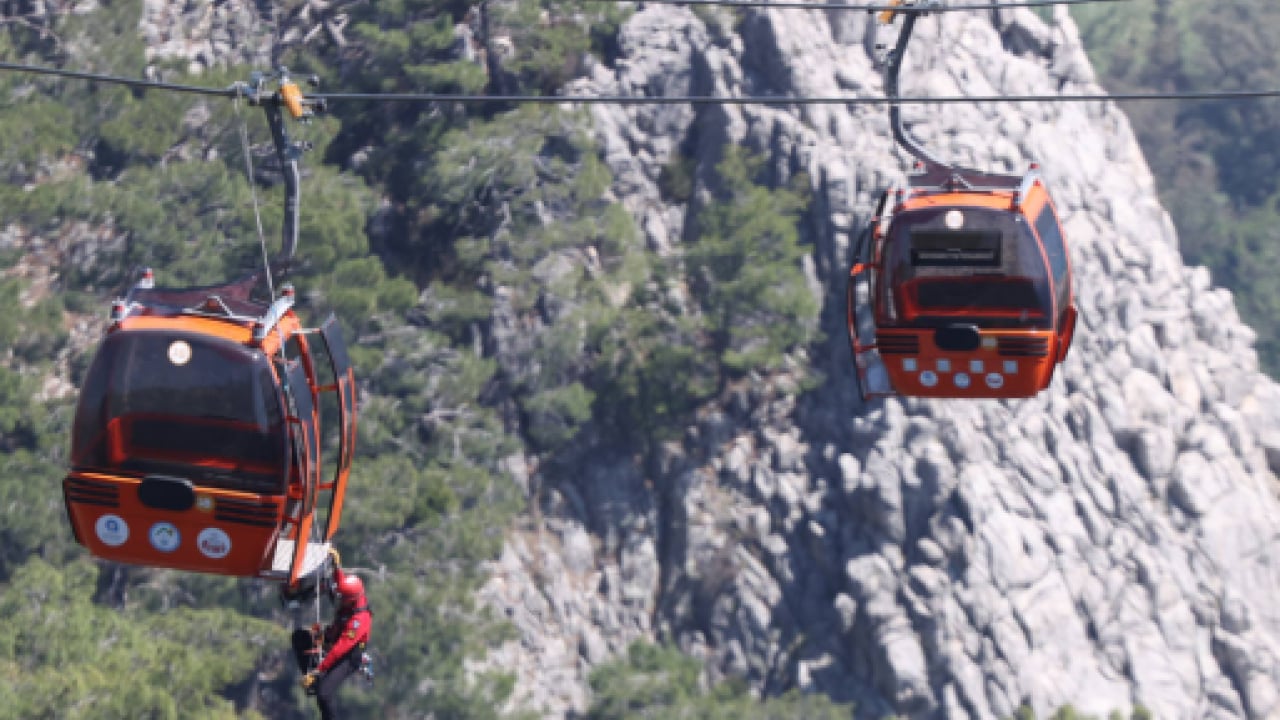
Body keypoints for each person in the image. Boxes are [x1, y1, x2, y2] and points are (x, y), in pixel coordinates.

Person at [292, 549, 372, 720]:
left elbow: (340, 649)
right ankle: (312, 679)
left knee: (324, 694)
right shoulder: (352, 597)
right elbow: (342, 584)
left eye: (343, 599)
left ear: (350, 600)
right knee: (300, 638)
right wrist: (337, 566)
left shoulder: (359, 620)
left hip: (348, 657)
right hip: (335, 642)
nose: (340, 601)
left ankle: (316, 680)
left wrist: (319, 670)